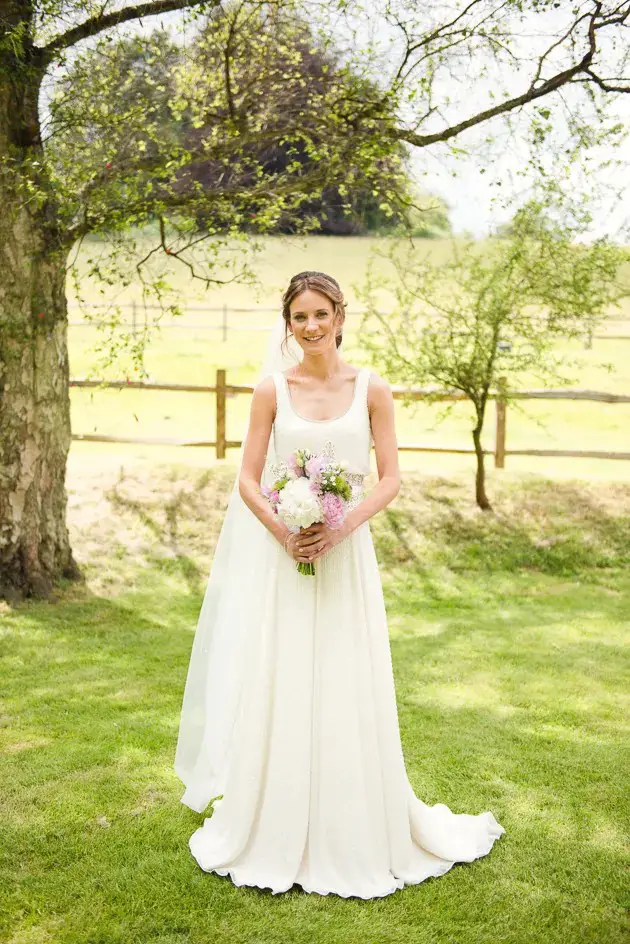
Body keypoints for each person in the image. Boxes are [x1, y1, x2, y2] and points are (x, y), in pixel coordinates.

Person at [174, 270, 505, 899]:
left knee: (346, 678)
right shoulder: (272, 389)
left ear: (340, 316)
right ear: (288, 323)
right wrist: (286, 530)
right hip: (289, 558)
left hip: (347, 558)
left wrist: (340, 528)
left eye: (321, 314)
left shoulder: (370, 388)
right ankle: (273, 820)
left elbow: (389, 477)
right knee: (286, 677)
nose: (311, 327)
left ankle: (351, 823)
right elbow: (247, 478)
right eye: (299, 317)